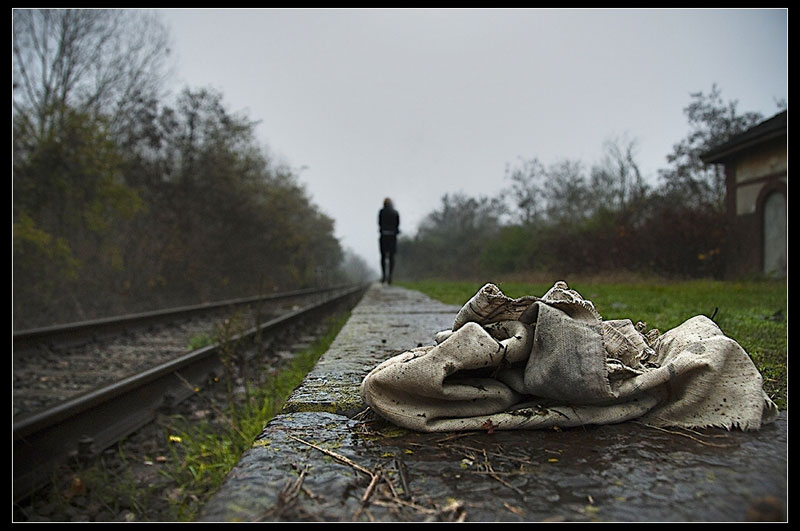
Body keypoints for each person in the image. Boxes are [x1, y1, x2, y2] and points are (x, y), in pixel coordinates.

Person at [378, 197, 400, 284]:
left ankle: (384, 276)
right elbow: (397, 224)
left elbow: (379, 223)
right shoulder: (395, 212)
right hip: (392, 236)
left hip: (384, 235)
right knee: (391, 257)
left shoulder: (381, 212)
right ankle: (390, 276)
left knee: (383, 256)